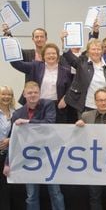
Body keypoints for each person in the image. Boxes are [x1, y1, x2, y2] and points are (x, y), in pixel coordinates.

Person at [10, 81, 65, 210]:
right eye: (30, 93)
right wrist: (8, 163)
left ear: (40, 93)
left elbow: (49, 122)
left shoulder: (48, 104)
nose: (33, 95)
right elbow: (14, 140)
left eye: (35, 92)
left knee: (55, 192)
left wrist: (28, 122)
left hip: (49, 156)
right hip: (29, 159)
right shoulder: (17, 113)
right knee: (31, 195)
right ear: (24, 94)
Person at [10, 43, 73, 122]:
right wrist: (9, 47)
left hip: (58, 107)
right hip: (38, 106)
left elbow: (71, 87)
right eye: (48, 54)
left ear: (58, 56)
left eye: (53, 53)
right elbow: (18, 64)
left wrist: (65, 98)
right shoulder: (35, 66)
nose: (51, 56)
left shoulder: (65, 71)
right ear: (43, 56)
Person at [62, 38, 106, 119]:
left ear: (102, 51)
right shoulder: (82, 62)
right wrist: (64, 41)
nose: (96, 52)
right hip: (86, 106)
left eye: (98, 49)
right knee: (86, 131)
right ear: (88, 51)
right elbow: (69, 56)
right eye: (93, 49)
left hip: (104, 107)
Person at [0, 86, 16, 210]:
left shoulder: (15, 112)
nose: (6, 97)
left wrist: (10, 140)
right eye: (3, 94)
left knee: (5, 188)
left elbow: (19, 133)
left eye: (9, 94)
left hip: (8, 156)